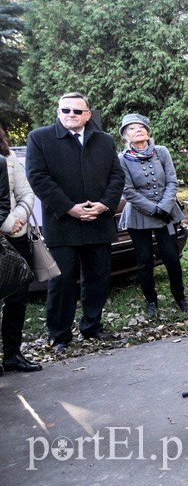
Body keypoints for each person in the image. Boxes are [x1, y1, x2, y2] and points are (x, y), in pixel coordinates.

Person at [26, 92, 125, 353]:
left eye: (77, 111)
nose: (71, 114)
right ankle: (59, 335)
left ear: (88, 115)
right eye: (66, 110)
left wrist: (104, 204)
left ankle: (92, 327)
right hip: (62, 224)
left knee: (98, 279)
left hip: (98, 222)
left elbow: (117, 176)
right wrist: (69, 208)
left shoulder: (104, 140)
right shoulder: (40, 138)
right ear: (58, 112)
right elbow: (38, 178)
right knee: (62, 283)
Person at [118, 114, 188, 315]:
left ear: (147, 131)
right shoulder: (122, 159)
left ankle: (180, 298)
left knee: (171, 258)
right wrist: (153, 209)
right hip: (138, 215)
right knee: (144, 261)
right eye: (131, 128)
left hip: (165, 213)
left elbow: (172, 181)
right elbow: (127, 191)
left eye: (141, 127)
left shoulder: (161, 152)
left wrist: (164, 207)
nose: (138, 130)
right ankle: (151, 301)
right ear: (126, 135)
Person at [1, 126, 40, 373]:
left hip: (15, 237)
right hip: (6, 228)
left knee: (17, 299)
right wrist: (5, 223)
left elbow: (26, 193)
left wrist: (16, 219)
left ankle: (12, 355)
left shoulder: (9, 155)